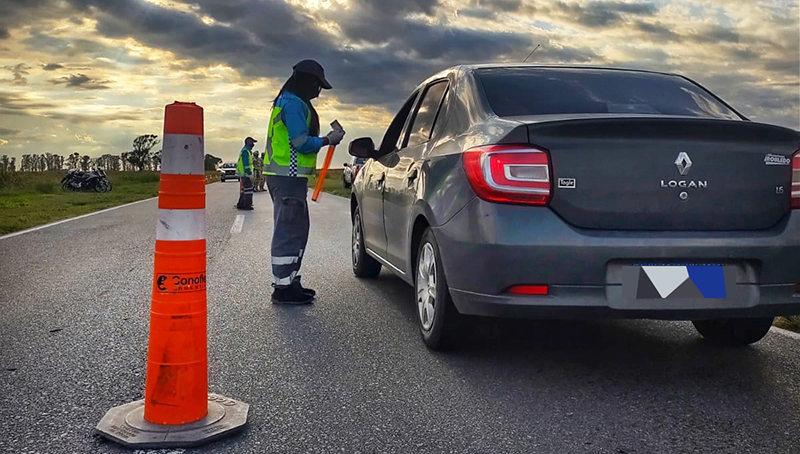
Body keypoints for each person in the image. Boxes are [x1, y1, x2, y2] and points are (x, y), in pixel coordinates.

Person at [264, 59, 345, 304]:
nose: (318, 91)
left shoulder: (290, 101)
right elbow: (301, 142)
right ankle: (283, 288)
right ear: (306, 81)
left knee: (297, 229)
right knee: (289, 231)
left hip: (290, 178)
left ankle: (289, 279)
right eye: (317, 85)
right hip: (287, 177)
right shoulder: (292, 104)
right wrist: (328, 140)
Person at [236, 137, 256, 210]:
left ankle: (240, 204)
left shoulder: (246, 151)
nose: (253, 144)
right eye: (252, 143)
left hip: (244, 174)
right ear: (249, 143)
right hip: (246, 174)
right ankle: (247, 205)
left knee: (245, 189)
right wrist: (249, 173)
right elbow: (246, 164)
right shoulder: (245, 151)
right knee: (248, 190)